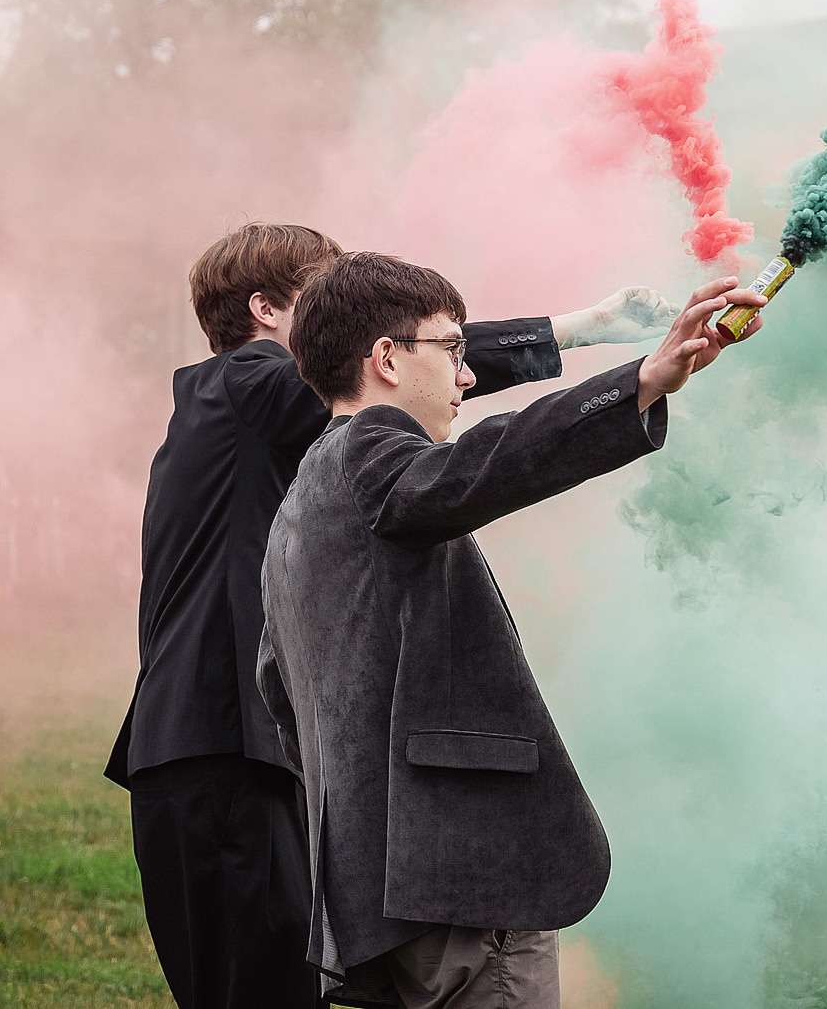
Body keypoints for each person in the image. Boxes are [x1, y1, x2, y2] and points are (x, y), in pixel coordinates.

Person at [105, 223, 681, 1009]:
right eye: (318, 304)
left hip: (219, 747)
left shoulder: (274, 442)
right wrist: (581, 336)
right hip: (223, 749)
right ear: (266, 310)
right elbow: (381, 359)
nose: (463, 375)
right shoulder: (246, 377)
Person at [256, 251, 765, 1008]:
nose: (467, 376)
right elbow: (486, 464)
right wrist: (643, 380)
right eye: (453, 350)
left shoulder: (298, 499)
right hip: (463, 881)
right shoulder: (371, 450)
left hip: (378, 898)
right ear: (387, 359)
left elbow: (279, 693)